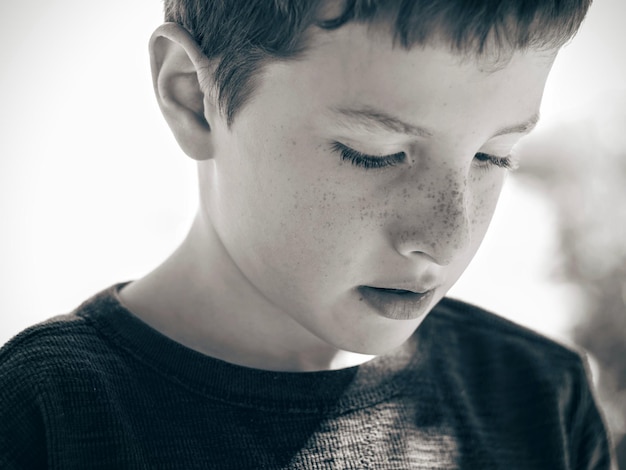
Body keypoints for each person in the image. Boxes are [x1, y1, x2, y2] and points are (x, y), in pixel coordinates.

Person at [0, 0, 615, 468]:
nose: (445, 239)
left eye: (493, 157)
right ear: (193, 97)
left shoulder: (542, 401)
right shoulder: (44, 415)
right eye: (372, 153)